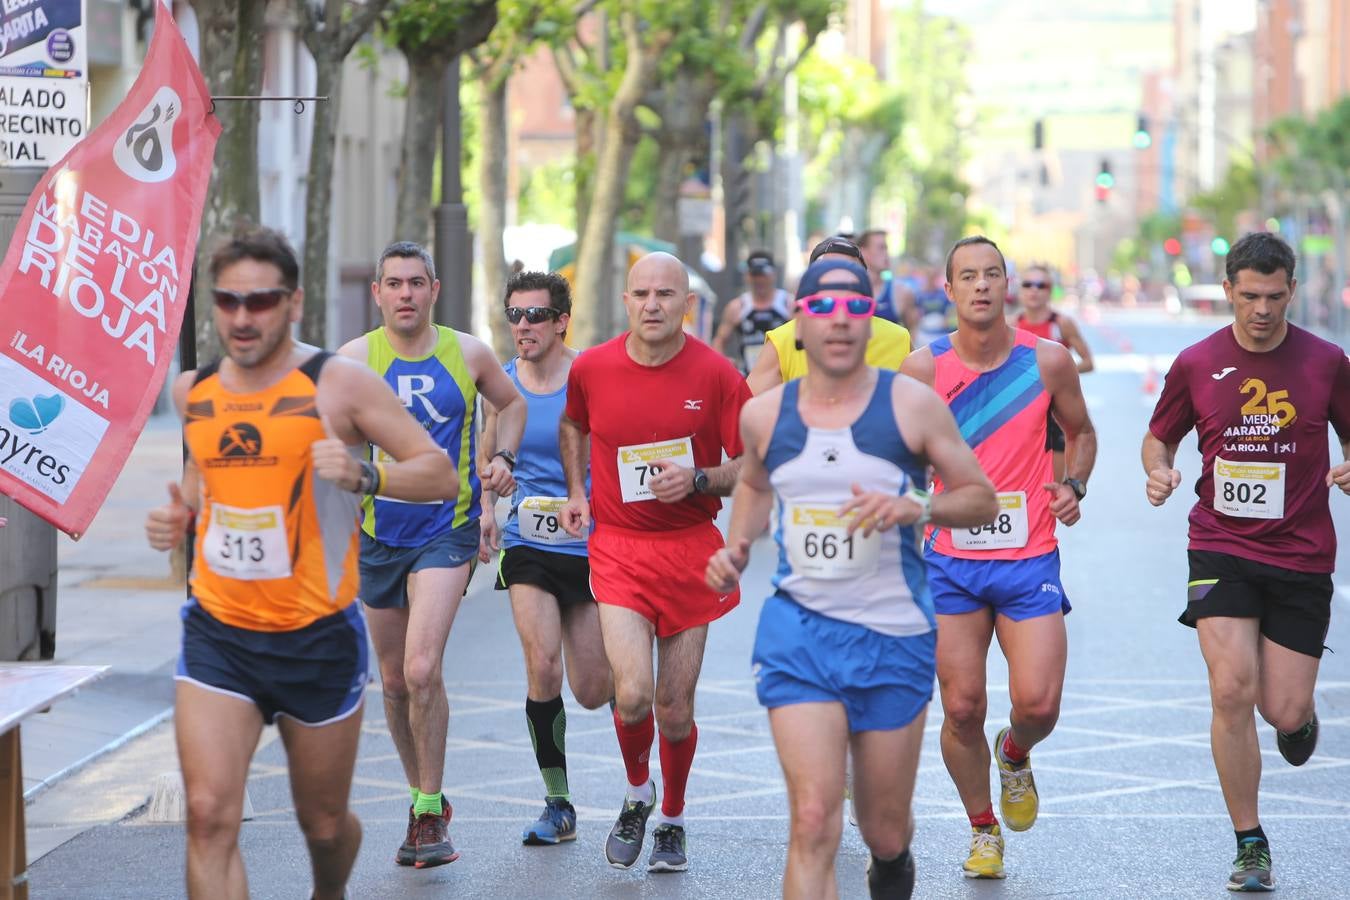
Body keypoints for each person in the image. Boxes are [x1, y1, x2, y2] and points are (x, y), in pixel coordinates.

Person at [144, 226, 458, 900]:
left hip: (316, 636)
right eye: (227, 300)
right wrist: (179, 518)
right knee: (207, 818)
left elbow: (439, 475)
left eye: (260, 301)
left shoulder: (339, 384)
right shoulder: (192, 393)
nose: (242, 316)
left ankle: (329, 890)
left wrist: (362, 474)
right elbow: (205, 488)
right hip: (219, 634)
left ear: (292, 303)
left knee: (322, 823)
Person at [705, 259, 997, 900]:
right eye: (822, 308)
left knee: (883, 828)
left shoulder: (912, 407)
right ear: (798, 325)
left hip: (893, 636)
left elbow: (982, 500)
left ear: (874, 324)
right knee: (812, 821)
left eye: (855, 309)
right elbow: (754, 481)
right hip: (799, 634)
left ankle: (892, 866)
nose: (839, 321)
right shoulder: (765, 415)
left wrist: (920, 506)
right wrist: (737, 546)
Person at [1141, 231, 1350, 893]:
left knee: (1282, 712)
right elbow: (1159, 435)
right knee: (1230, 688)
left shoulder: (1326, 361)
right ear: (1229, 289)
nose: (1262, 309)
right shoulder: (1198, 362)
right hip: (1221, 545)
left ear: (1292, 291)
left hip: (1303, 551)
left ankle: (1298, 715)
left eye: (1276, 296)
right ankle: (1250, 842)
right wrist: (1159, 471)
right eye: (1250, 295)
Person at [900, 235, 1096, 880]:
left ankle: (1014, 754)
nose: (981, 286)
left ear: (1006, 285)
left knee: (1038, 705)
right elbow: (894, 458)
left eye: (992, 275)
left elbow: (1082, 432)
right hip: (950, 562)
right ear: (949, 290)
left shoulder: (1048, 361)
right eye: (968, 277)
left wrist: (1074, 485)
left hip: (1028, 556)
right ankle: (983, 830)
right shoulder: (921, 370)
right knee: (960, 708)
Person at [559, 251, 752, 874]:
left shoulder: (717, 375)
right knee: (634, 694)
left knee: (675, 706)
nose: (652, 305)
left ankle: (671, 816)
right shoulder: (591, 368)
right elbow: (573, 426)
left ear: (687, 304)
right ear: (625, 301)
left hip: (691, 548)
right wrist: (576, 492)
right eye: (641, 294)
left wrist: (698, 478)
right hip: (618, 547)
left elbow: (750, 464)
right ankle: (636, 793)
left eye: (666, 295)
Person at [336, 241, 524, 869]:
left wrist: (503, 460)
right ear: (379, 293)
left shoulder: (467, 352)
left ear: (434, 289)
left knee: (420, 668)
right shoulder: (354, 361)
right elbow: (321, 436)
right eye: (395, 284)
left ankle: (425, 812)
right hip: (378, 532)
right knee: (392, 682)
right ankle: (425, 797)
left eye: (417, 282)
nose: (406, 294)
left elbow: (512, 403)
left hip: (448, 529)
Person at [478, 270, 614, 846]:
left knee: (594, 688)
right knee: (543, 667)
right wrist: (488, 504)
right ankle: (558, 802)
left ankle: (640, 758)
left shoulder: (591, 376)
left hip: (589, 546)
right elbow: (488, 457)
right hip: (529, 544)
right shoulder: (504, 386)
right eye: (514, 315)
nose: (523, 326)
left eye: (535, 315)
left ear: (561, 321)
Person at [746, 236, 911, 395]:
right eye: (827, 272)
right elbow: (746, 408)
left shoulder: (899, 339)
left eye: (849, 274)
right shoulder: (781, 341)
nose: (840, 320)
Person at [1014, 265, 1095, 480]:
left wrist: (1057, 374)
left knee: (1053, 488)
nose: (1034, 290)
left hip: (1056, 412)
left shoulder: (1062, 324)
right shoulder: (1011, 325)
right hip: (1020, 411)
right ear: (1020, 290)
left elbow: (1088, 362)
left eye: (1041, 285)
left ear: (1050, 291)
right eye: (1028, 284)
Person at [711, 250, 794, 374]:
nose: (760, 281)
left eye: (764, 275)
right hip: (748, 376)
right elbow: (719, 340)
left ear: (774, 275)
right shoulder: (737, 307)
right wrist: (724, 363)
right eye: (755, 275)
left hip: (782, 376)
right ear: (747, 277)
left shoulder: (788, 304)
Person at [905, 266, 956, 349]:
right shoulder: (919, 295)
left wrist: (947, 321)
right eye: (928, 277)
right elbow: (913, 315)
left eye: (932, 277)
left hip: (941, 332)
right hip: (924, 331)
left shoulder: (943, 294)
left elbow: (951, 312)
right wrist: (914, 329)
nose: (930, 281)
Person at [858, 229, 902, 324]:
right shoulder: (849, 291)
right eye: (881, 248)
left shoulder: (901, 292)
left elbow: (913, 331)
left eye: (886, 248)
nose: (886, 253)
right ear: (863, 252)